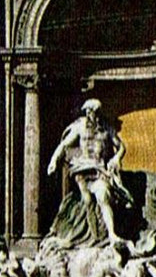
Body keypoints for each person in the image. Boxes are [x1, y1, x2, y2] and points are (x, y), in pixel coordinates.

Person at [46, 99, 130, 245]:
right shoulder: (79, 127)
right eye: (92, 112)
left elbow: (121, 146)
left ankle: (111, 234)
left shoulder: (106, 128)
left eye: (97, 113)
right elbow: (64, 144)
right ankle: (94, 235)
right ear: (87, 112)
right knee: (87, 201)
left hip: (99, 170)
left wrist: (116, 158)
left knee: (103, 194)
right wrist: (53, 160)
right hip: (83, 170)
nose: (95, 116)